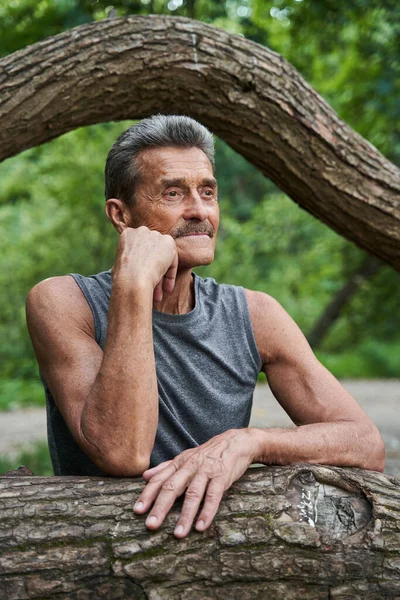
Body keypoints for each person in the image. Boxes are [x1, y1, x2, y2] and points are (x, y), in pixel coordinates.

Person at [26, 115, 385, 539]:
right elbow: (123, 452)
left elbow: (365, 443)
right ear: (121, 216)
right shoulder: (63, 302)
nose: (198, 211)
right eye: (173, 192)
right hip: (94, 550)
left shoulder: (254, 314)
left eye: (208, 192)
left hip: (218, 550)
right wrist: (134, 287)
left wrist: (249, 441)